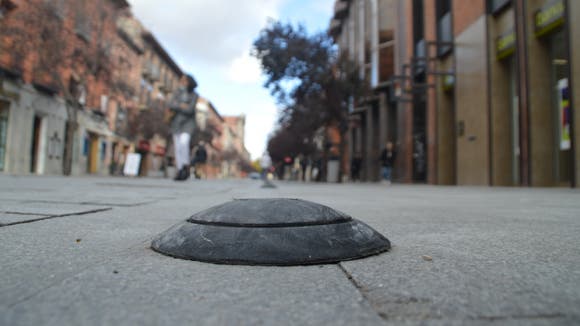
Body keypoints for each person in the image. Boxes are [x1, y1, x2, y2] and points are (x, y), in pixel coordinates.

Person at [168, 74, 198, 181]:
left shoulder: (194, 95)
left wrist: (179, 105)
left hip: (188, 124)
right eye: (181, 81)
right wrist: (181, 105)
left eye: (184, 81)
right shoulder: (177, 92)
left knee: (184, 144)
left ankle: (185, 167)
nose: (182, 83)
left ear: (189, 82)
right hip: (176, 123)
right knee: (177, 147)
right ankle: (180, 169)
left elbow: (190, 109)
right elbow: (170, 104)